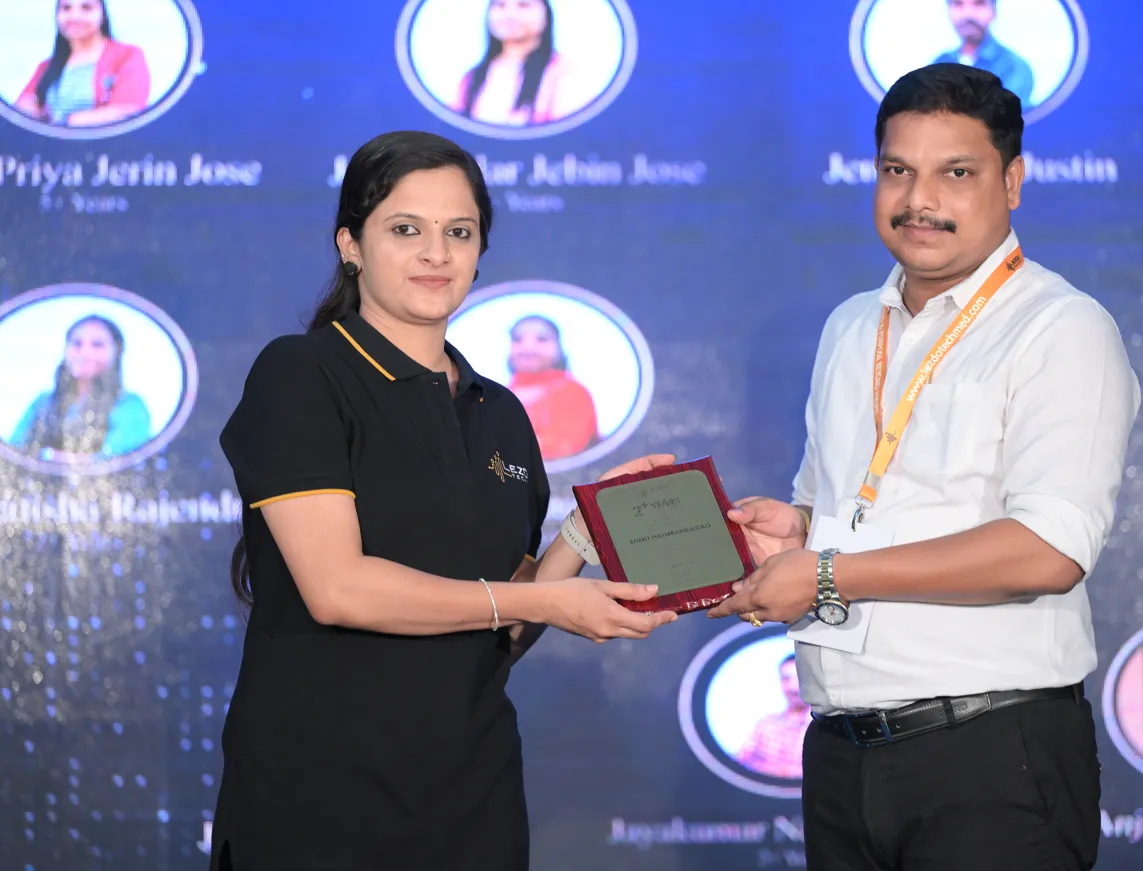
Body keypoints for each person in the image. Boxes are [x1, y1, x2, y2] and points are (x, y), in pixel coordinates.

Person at [208, 130, 677, 871]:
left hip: (471, 798)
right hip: (319, 798)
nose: (436, 253)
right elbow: (337, 589)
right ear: (350, 244)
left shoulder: (500, 413)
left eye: (458, 232)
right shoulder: (302, 375)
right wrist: (543, 603)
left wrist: (581, 538)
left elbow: (505, 632)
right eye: (405, 230)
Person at [709, 63, 1140, 870]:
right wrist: (796, 530)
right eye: (897, 171)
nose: (919, 200)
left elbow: (1048, 551)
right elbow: (841, 507)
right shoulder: (848, 327)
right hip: (840, 754)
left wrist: (829, 572)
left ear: (1012, 181)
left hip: (988, 755)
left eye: (957, 173)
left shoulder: (1060, 328)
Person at [9, 314, 151, 459]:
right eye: (77, 344)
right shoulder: (43, 402)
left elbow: (115, 461)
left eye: (97, 345)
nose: (85, 353)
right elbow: (14, 450)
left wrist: (50, 456)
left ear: (116, 352)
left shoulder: (129, 406)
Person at [15, 0, 151, 128]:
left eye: (86, 8)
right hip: (53, 149)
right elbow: (22, 107)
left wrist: (67, 122)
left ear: (103, 15)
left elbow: (128, 110)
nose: (74, 16)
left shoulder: (126, 56)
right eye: (66, 8)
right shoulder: (46, 66)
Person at [448, 0, 583, 126]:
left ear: (546, 16)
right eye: (501, 5)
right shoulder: (472, 77)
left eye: (523, 5)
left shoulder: (562, 72)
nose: (510, 15)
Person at [507, 314, 598, 460]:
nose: (528, 347)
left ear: (559, 348)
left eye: (541, 339)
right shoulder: (496, 396)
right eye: (518, 339)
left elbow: (563, 448)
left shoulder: (573, 392)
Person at [932, 0, 1033, 108]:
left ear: (994, 11)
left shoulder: (1015, 68)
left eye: (979, 4)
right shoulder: (939, 64)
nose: (968, 14)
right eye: (958, 4)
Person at [734, 653, 811, 779]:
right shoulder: (767, 724)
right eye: (786, 679)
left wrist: (783, 772)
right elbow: (741, 761)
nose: (793, 687)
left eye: (800, 678)